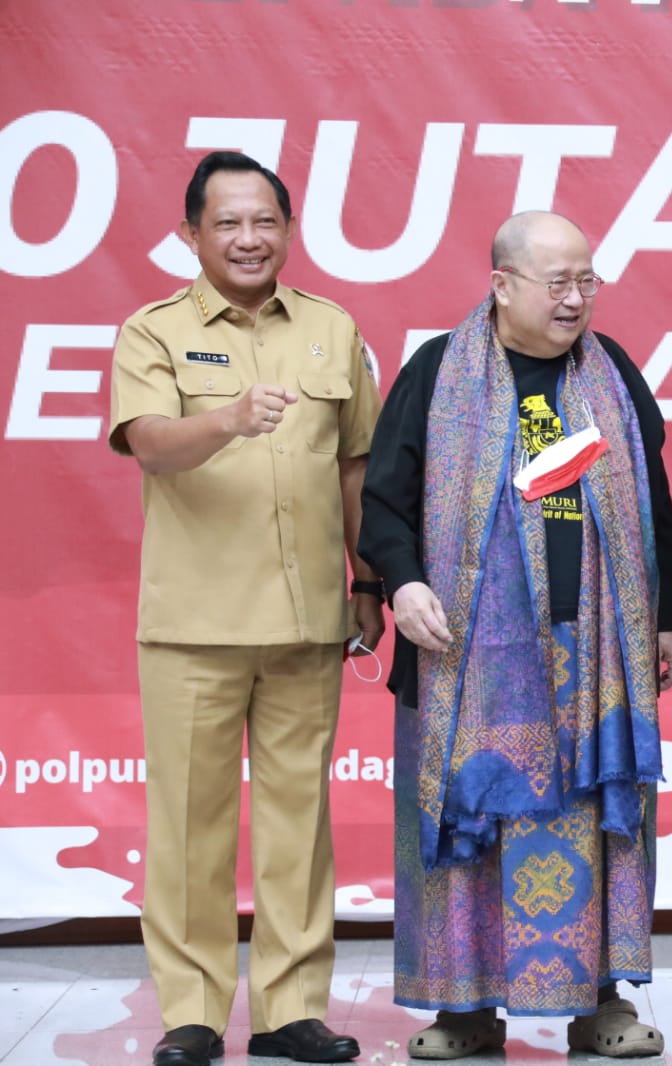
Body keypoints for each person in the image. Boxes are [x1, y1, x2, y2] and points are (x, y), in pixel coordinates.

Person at [358, 211, 672, 1061]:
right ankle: (464, 1010)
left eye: (588, 281)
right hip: (469, 658)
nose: (576, 299)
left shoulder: (613, 377)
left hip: (597, 654)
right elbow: (386, 500)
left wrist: (668, 617)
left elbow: (654, 510)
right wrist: (405, 583)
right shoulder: (438, 373)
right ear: (502, 286)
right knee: (474, 823)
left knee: (597, 820)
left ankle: (601, 1003)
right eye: (557, 283)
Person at [108, 151, 381, 1066]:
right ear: (191, 235)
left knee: (299, 828)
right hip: (195, 623)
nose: (248, 238)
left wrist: (368, 581)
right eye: (226, 223)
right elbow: (148, 444)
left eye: (264, 220)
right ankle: (190, 1012)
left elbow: (356, 466)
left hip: (308, 621)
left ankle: (289, 1010)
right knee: (189, 827)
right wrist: (225, 418)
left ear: (288, 230)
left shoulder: (332, 330)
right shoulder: (154, 331)